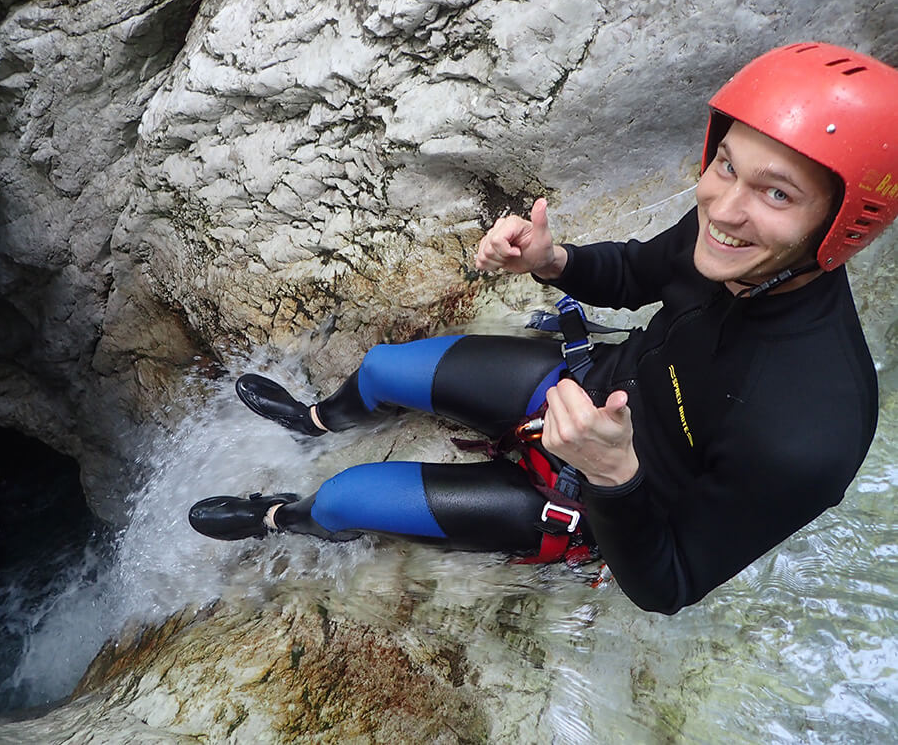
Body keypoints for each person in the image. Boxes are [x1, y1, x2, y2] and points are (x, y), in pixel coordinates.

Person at [187, 43, 897, 614]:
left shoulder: (812, 431)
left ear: (837, 226)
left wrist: (611, 473)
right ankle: (315, 421)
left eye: (777, 193)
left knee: (347, 499)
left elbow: (668, 583)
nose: (725, 207)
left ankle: (278, 516)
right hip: (584, 388)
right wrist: (554, 261)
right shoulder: (730, 233)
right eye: (725, 164)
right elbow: (637, 273)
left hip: (599, 500)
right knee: (380, 369)